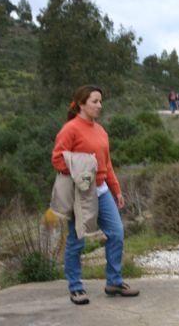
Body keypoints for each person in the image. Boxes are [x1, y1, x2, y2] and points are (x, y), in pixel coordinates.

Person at [52, 85, 140, 305]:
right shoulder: (70, 129)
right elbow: (57, 159)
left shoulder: (101, 130)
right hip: (81, 193)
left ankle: (114, 282)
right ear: (81, 103)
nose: (99, 106)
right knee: (77, 240)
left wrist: (116, 190)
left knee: (117, 233)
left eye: (101, 101)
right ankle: (75, 287)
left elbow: (107, 164)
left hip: (102, 191)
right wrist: (82, 166)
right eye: (95, 101)